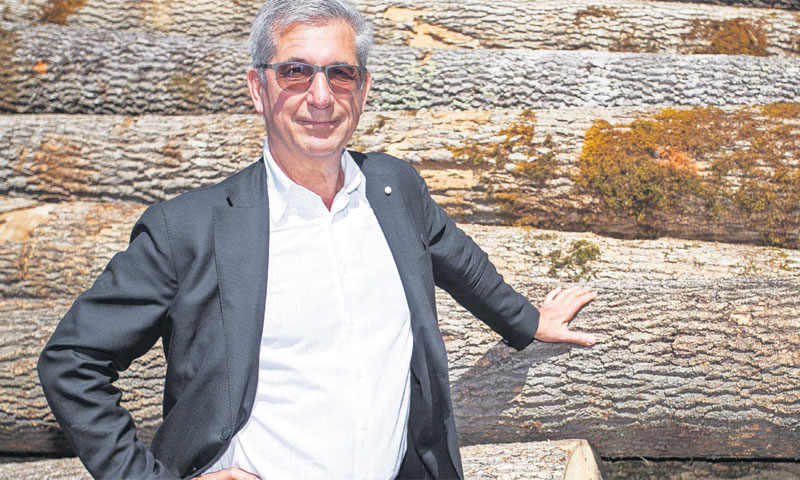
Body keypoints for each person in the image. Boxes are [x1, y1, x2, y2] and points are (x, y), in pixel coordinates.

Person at [37, 0, 598, 478]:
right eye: (296, 72)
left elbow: (454, 255)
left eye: (340, 74)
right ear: (258, 88)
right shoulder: (188, 229)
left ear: (363, 88)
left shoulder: (393, 188)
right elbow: (72, 360)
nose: (321, 96)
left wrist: (527, 320)